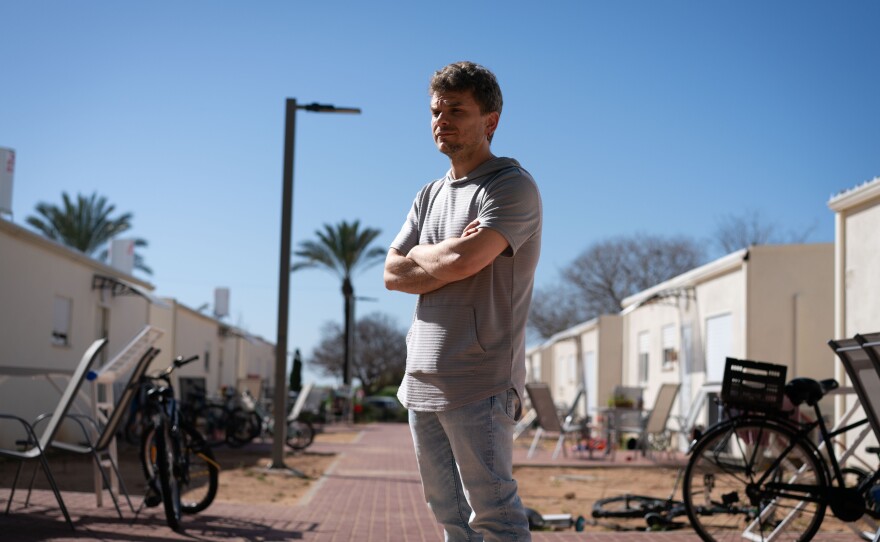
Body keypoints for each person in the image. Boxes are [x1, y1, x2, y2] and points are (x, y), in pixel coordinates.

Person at [384, 61, 542, 541]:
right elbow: (392, 274)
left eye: (456, 109)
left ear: (490, 121)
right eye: (436, 110)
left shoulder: (510, 185)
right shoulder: (427, 195)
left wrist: (425, 258)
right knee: (449, 516)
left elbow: (465, 262)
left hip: (480, 380)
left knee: (495, 515)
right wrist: (441, 252)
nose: (442, 120)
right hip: (422, 378)